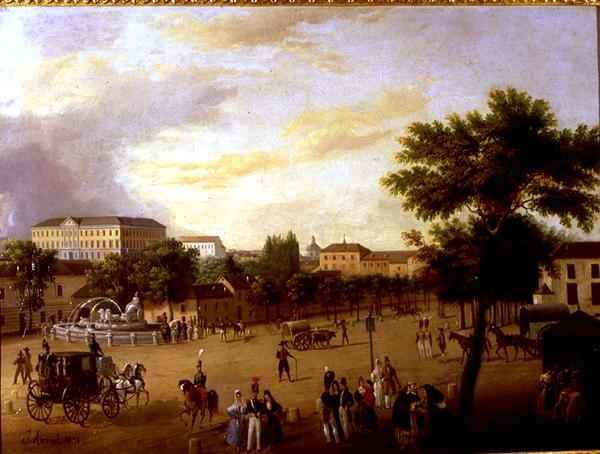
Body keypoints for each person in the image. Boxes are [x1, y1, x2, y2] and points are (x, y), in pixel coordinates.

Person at [245, 378, 264, 452]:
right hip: (252, 418)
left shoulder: (260, 402)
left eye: (256, 393)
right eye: (253, 393)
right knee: (250, 433)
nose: (254, 394)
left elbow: (262, 409)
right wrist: (250, 414)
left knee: (258, 433)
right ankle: (248, 448)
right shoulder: (249, 402)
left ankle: (258, 447)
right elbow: (246, 411)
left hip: (258, 418)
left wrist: (260, 413)